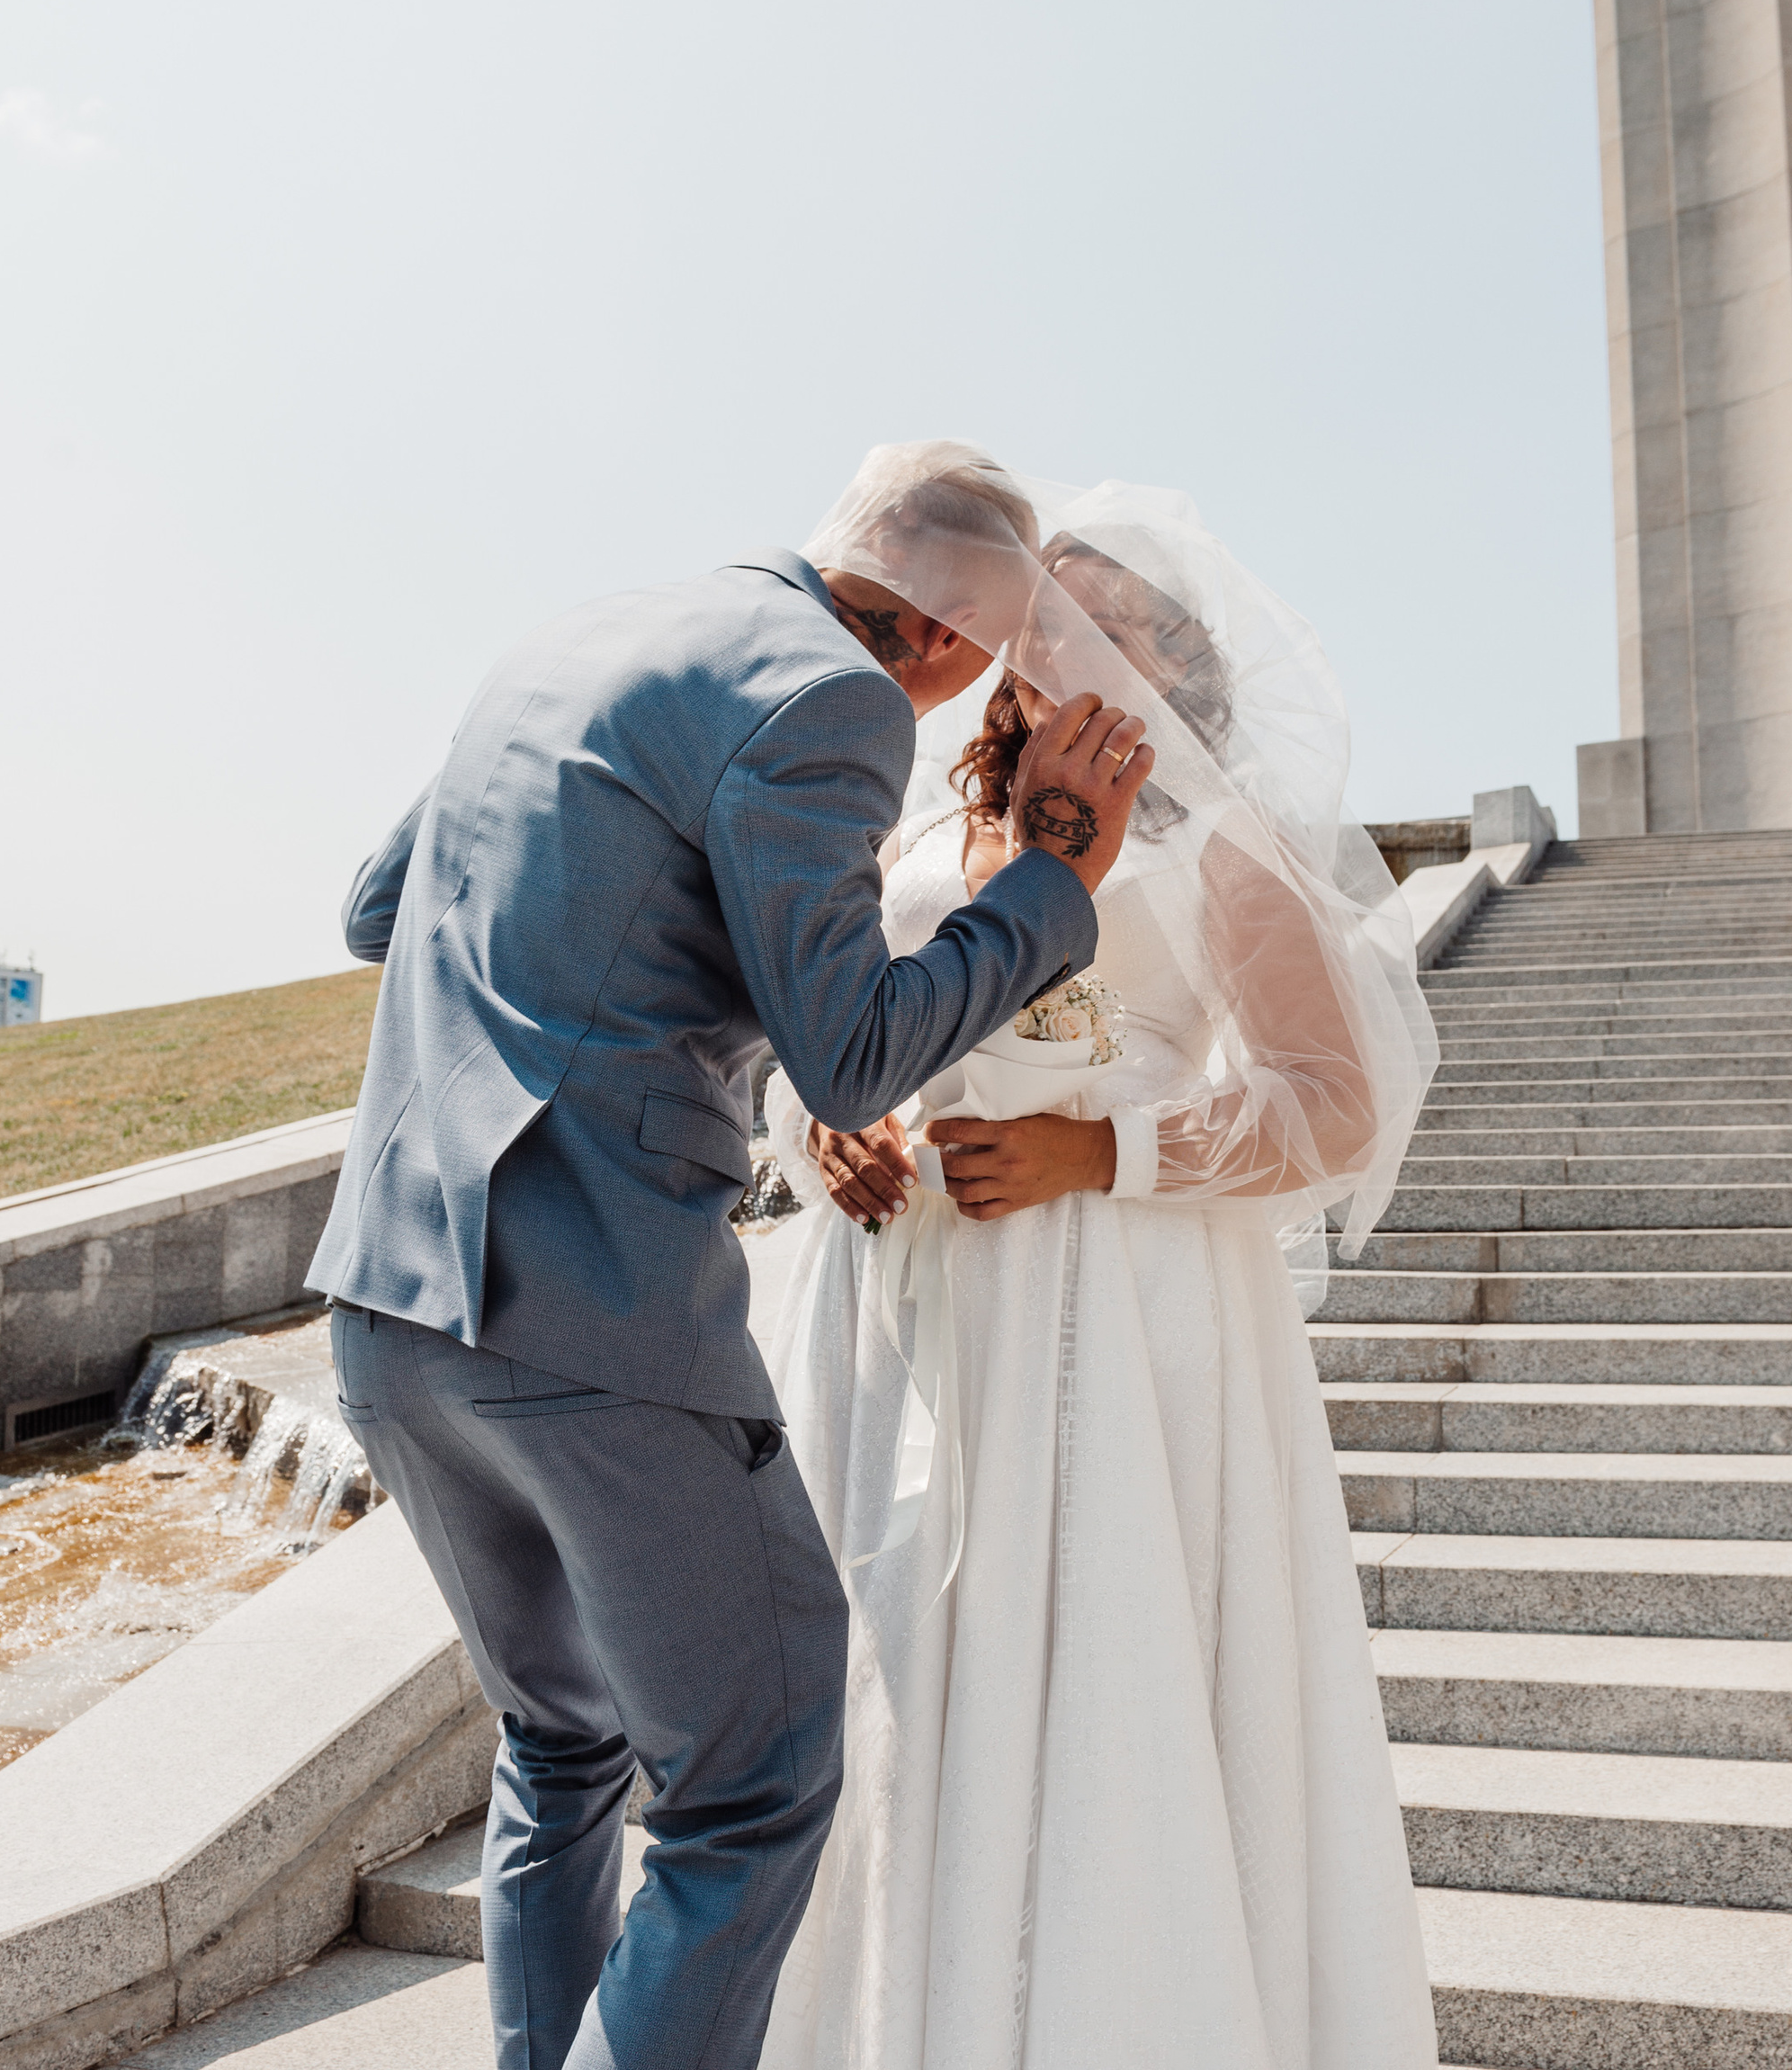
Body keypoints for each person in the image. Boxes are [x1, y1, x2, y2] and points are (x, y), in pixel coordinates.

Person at [309, 442, 1156, 2070]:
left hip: (389, 1303)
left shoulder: (574, 640)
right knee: (750, 1785)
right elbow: (852, 1053)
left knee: (561, 1745)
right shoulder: (830, 697)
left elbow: (372, 910)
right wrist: (1053, 878)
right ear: (939, 633)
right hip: (593, 1315)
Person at [753, 480, 1442, 2070]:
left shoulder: (1223, 847)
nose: (1060, 632)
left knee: (1096, 1680)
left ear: (1177, 666)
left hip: (1114, 1323)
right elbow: (811, 1031)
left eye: (1109, 617)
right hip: (893, 1312)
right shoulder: (922, 831)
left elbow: (1335, 1107)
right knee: (886, 1674)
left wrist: (1100, 1152)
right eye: (1048, 606)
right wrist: (820, 1125)